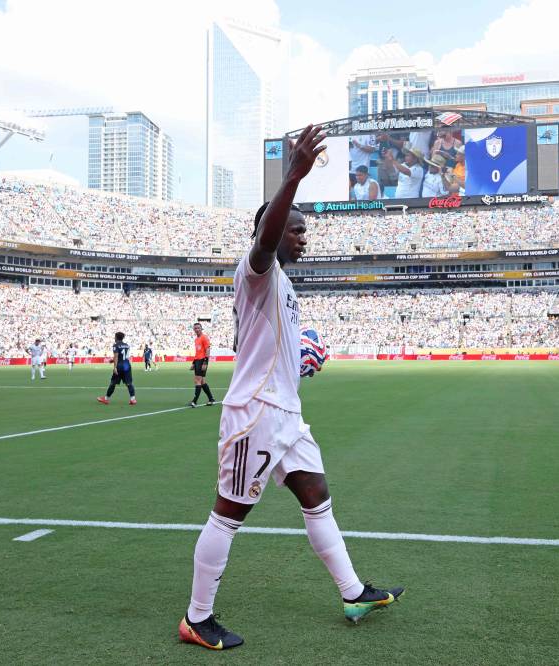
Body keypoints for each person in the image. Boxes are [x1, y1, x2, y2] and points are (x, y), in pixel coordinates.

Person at [179, 124, 403, 652]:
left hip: (286, 412)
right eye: (296, 229)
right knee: (228, 514)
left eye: (304, 230)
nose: (304, 237)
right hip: (255, 413)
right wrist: (294, 177)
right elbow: (264, 238)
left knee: (317, 497)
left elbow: (275, 350)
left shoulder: (284, 286)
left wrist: (302, 361)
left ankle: (353, 593)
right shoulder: (255, 269)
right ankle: (196, 617)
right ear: (273, 230)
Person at [97, 332, 136, 405]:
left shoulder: (116, 345)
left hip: (119, 366)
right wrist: (113, 360)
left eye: (114, 337)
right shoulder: (126, 345)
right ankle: (133, 399)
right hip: (127, 365)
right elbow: (124, 356)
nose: (114, 338)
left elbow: (116, 356)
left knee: (113, 383)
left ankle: (106, 399)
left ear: (116, 337)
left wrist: (115, 367)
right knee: (129, 383)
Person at [189, 323, 216, 407]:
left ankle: (194, 401)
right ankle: (211, 399)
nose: (197, 329)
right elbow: (197, 352)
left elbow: (208, 349)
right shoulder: (196, 339)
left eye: (198, 328)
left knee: (197, 380)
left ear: (201, 329)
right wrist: (193, 363)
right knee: (202, 381)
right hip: (197, 360)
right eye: (195, 328)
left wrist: (205, 361)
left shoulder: (204, 337)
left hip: (202, 360)